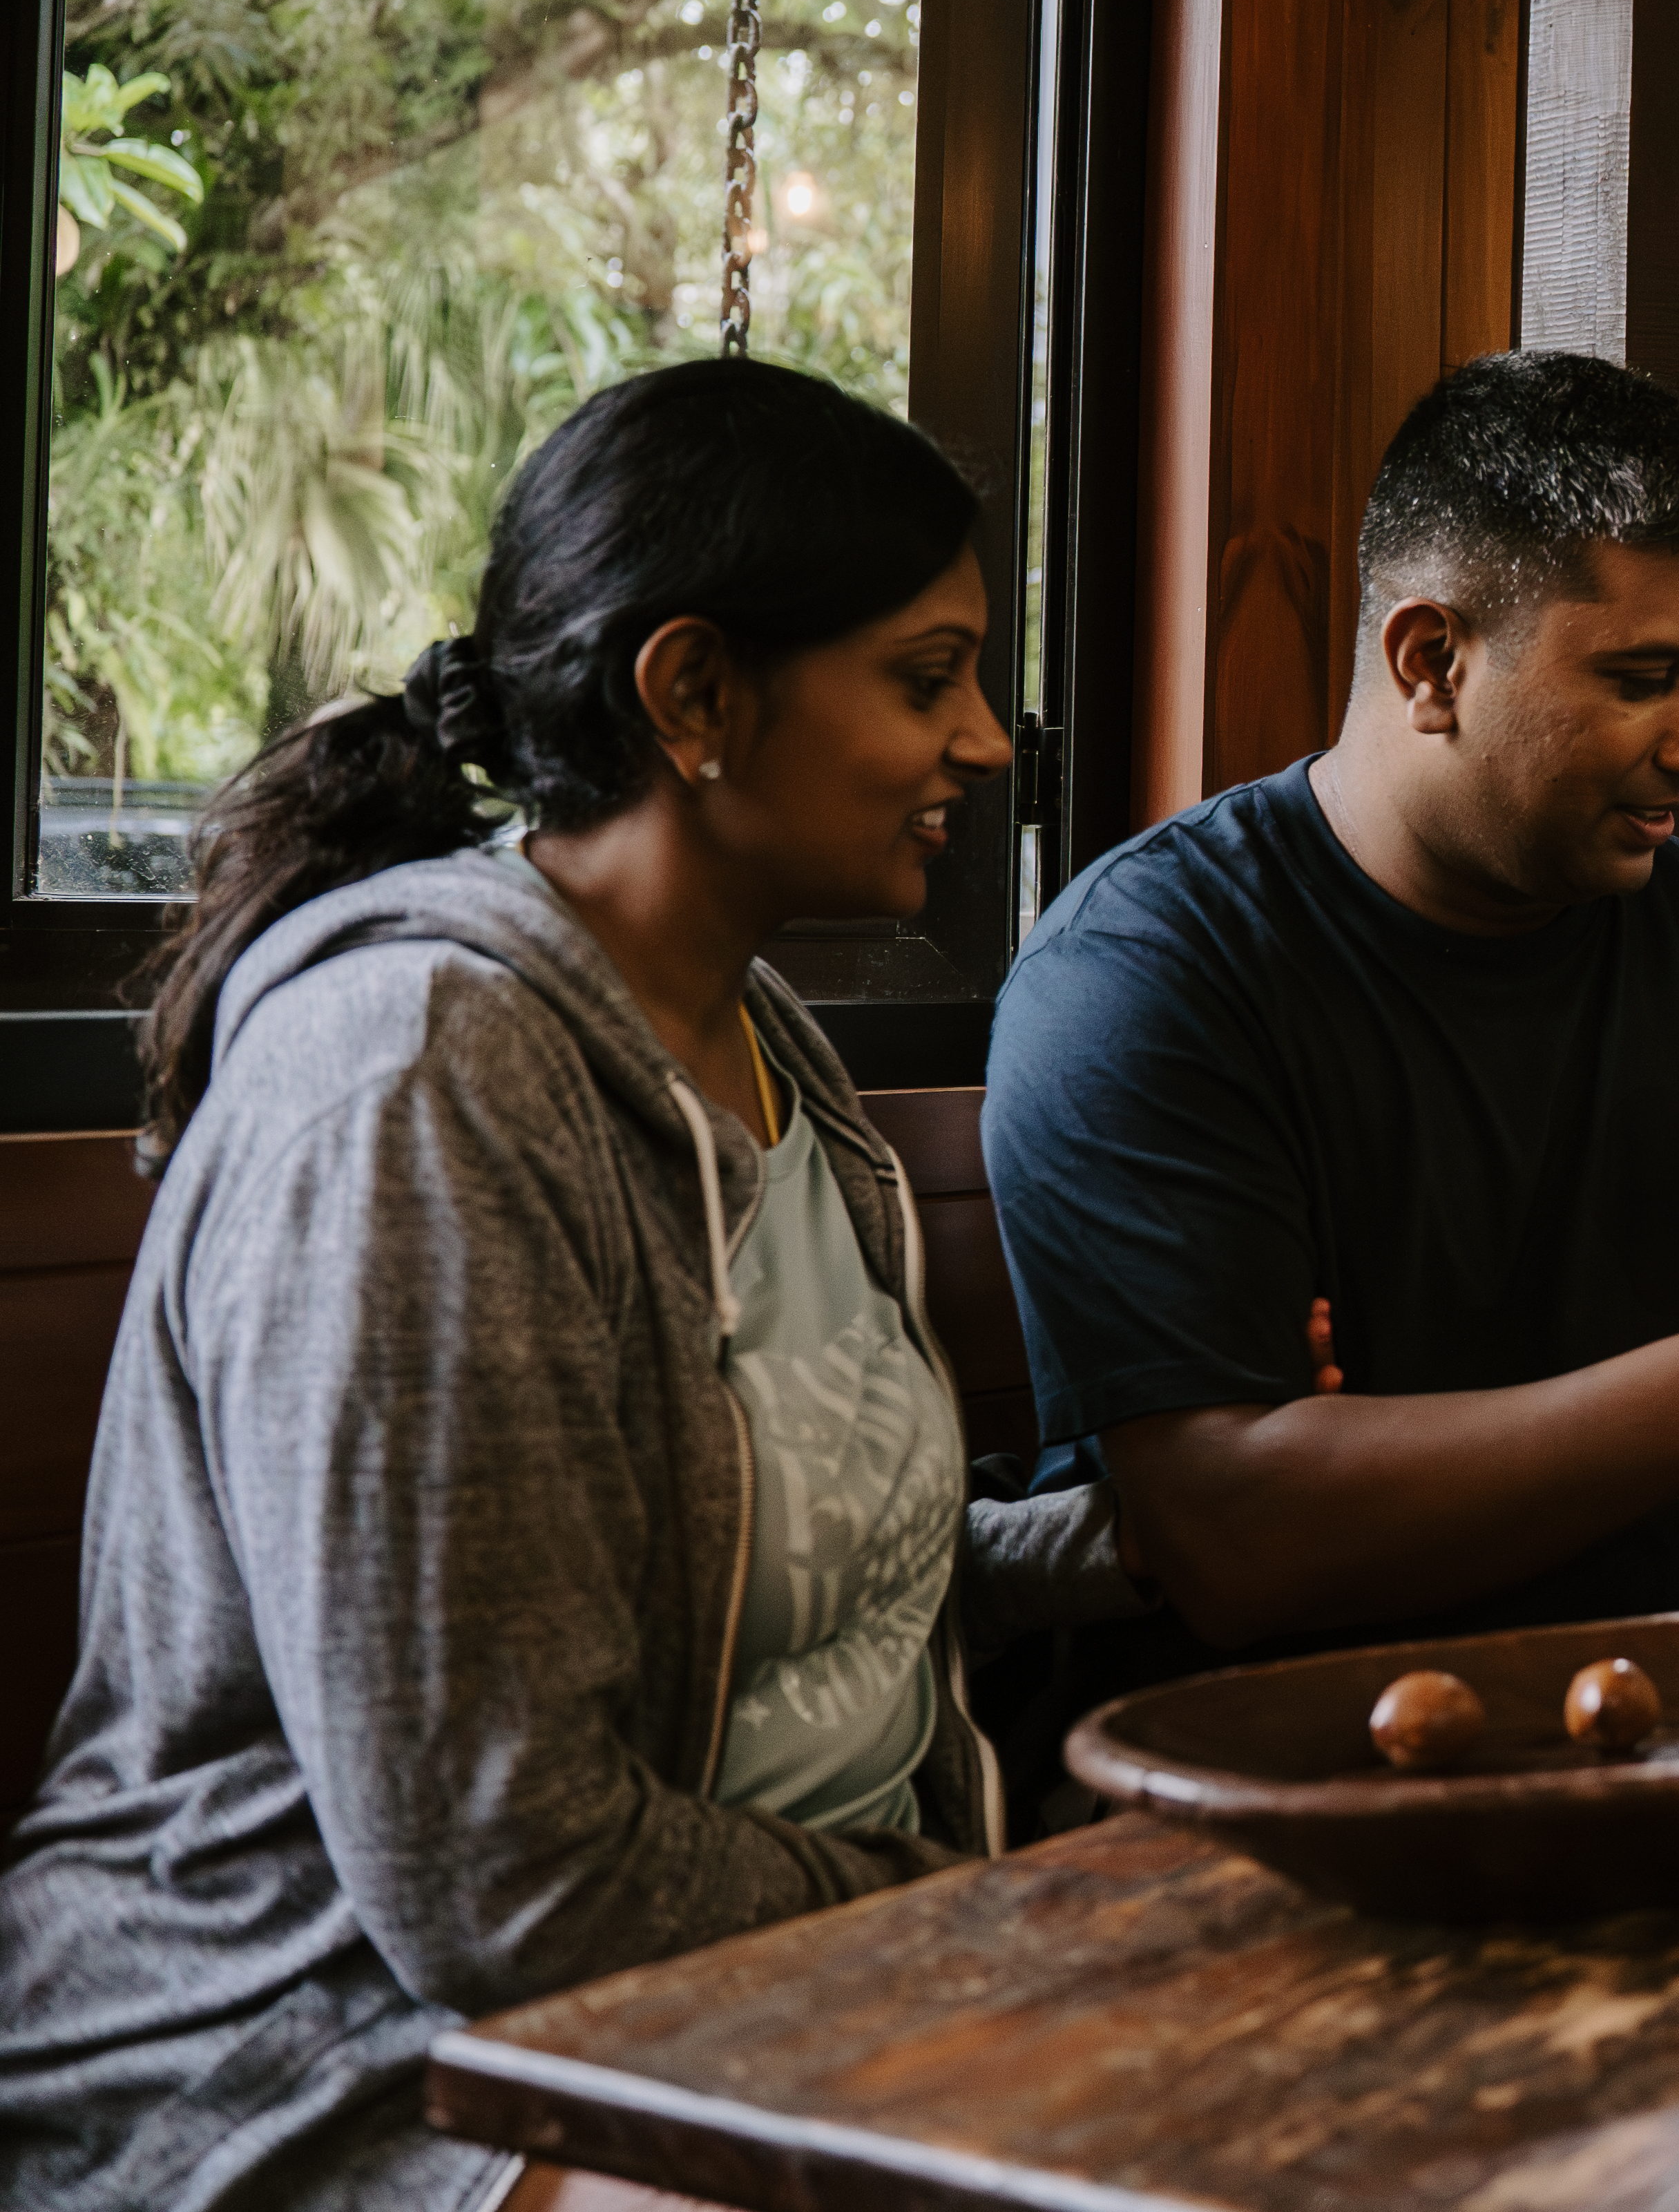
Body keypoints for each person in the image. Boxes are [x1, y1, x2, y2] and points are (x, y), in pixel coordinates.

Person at [0, 361, 1146, 2212]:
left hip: (733, 1988)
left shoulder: (764, 1043)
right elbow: (506, 1883)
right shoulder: (419, 1080)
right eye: (926, 678)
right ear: (693, 694)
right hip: (323, 2058)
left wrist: (1149, 1532)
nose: (990, 743)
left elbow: (776, 1575)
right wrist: (982, 1921)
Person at [982, 353, 1679, 1699]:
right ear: (1432, 658)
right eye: (1645, 677)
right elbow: (1230, 1538)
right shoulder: (1146, 971)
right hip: (1299, 1791)